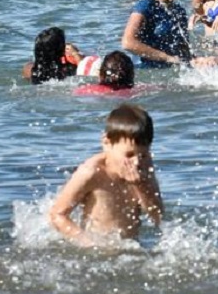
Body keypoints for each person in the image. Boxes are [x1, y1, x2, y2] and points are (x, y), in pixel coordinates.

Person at [48, 104, 163, 246]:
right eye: (129, 154)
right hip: (95, 247)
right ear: (107, 143)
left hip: (131, 246)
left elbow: (158, 218)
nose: (136, 162)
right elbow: (57, 215)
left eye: (144, 155)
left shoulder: (145, 167)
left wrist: (141, 186)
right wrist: (88, 243)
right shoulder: (91, 172)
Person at [121, 0, 192, 68]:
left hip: (170, 71)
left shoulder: (179, 11)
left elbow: (184, 49)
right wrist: (167, 58)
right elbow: (128, 42)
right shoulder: (146, 6)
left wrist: (195, 62)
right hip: (144, 70)